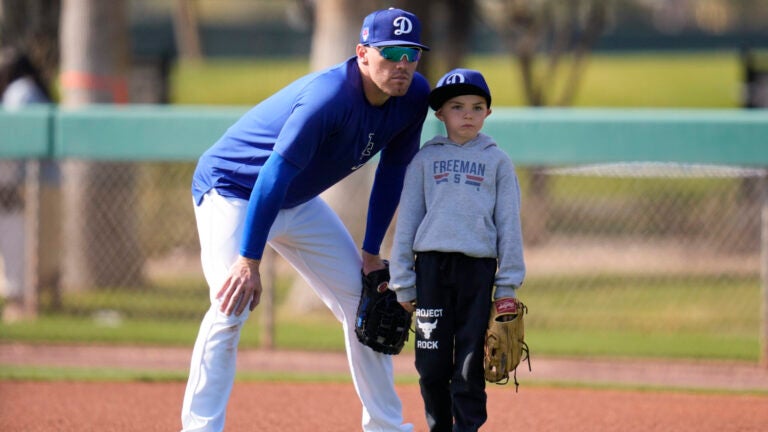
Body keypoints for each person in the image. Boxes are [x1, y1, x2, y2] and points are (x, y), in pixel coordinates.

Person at [182, 7, 430, 432]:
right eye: (391, 52)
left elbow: (392, 174)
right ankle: (199, 428)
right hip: (233, 190)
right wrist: (249, 260)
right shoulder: (329, 97)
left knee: (368, 306)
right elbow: (271, 176)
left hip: (296, 200)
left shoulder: (414, 98)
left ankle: (387, 426)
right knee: (230, 306)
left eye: (412, 53)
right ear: (363, 53)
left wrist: (371, 254)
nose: (402, 64)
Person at [389, 69, 526, 432]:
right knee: (431, 365)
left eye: (477, 107)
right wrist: (402, 280)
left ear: (488, 113)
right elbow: (407, 222)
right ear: (440, 114)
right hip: (431, 269)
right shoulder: (424, 160)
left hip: (477, 271)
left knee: (470, 363)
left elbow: (509, 225)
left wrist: (508, 285)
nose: (468, 114)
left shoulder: (497, 161)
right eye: (457, 106)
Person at [0, 46, 53, 319]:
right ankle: (27, 300)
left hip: (25, 184)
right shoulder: (30, 88)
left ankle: (21, 303)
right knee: (37, 252)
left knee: (22, 244)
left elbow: (14, 141)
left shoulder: (19, 91)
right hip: (35, 183)